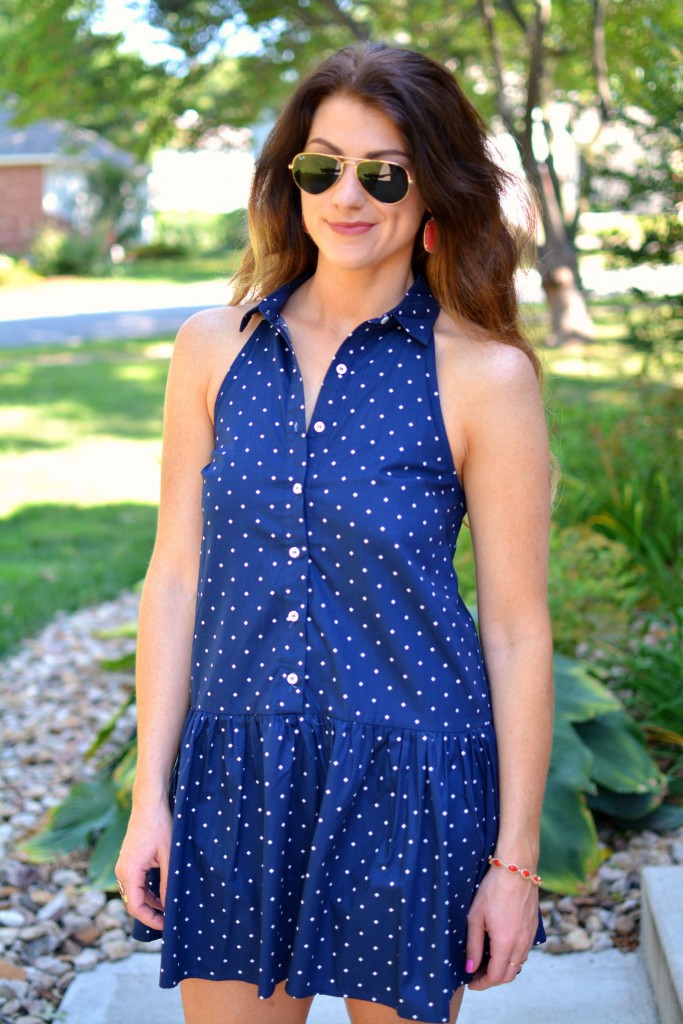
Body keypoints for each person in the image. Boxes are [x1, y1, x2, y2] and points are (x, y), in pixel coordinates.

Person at [116, 41, 553, 1024]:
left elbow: (517, 628)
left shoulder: (483, 378)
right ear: (288, 178)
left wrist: (513, 864)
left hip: (406, 782)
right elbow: (175, 578)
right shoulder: (209, 351)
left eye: (381, 171)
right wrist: (152, 798)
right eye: (320, 165)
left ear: (431, 187)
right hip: (235, 778)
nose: (344, 195)